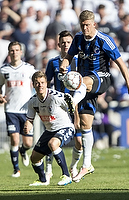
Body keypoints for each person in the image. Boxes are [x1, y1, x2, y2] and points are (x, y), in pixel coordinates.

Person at [59, 10, 129, 182]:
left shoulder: (104, 40)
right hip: (84, 87)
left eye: (88, 25)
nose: (85, 28)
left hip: (101, 78)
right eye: (82, 25)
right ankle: (87, 165)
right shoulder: (78, 38)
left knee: (83, 81)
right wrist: (64, 66)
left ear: (94, 24)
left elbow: (121, 64)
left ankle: (70, 101)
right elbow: (68, 57)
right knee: (86, 125)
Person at [45, 30, 83, 181]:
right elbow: (46, 85)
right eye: (64, 42)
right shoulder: (53, 62)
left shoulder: (78, 62)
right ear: (59, 44)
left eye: (69, 42)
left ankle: (73, 166)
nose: (66, 45)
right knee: (52, 139)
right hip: (59, 107)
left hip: (76, 105)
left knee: (79, 142)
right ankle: (48, 169)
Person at [25, 71, 74, 186]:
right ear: (33, 84)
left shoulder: (56, 97)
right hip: (50, 131)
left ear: (46, 83)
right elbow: (30, 119)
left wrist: (75, 120)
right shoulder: (32, 101)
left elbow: (71, 103)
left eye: (42, 82)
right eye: (37, 83)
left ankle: (66, 176)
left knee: (53, 144)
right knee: (34, 158)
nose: (40, 85)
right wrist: (28, 125)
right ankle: (43, 180)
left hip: (65, 127)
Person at [0, 41, 36, 178]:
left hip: (26, 110)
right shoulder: (4, 70)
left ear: (21, 52)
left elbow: (39, 81)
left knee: (28, 143)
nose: (14, 53)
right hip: (11, 109)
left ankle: (23, 151)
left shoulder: (29, 68)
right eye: (12, 50)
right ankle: (16, 169)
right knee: (14, 139)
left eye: (17, 50)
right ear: (9, 53)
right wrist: (0, 96)